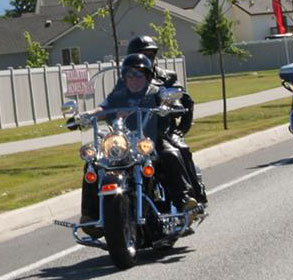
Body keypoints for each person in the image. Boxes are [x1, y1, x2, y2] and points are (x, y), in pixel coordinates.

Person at [76, 54, 199, 238]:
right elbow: (103, 108)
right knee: (92, 163)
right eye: (130, 74)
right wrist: (87, 114)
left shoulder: (155, 92)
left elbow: (172, 103)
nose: (134, 79)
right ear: (124, 77)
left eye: (139, 75)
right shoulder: (119, 94)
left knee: (171, 154)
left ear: (148, 76)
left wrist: (170, 106)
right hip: (123, 143)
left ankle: (185, 202)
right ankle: (90, 215)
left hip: (150, 141)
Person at [124, 35, 207, 204]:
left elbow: (184, 100)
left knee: (174, 152)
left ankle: (188, 198)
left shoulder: (166, 77)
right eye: (143, 54)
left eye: (151, 54)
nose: (148, 58)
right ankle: (92, 214)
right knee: (98, 162)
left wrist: (178, 123)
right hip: (131, 135)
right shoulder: (125, 80)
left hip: (160, 131)